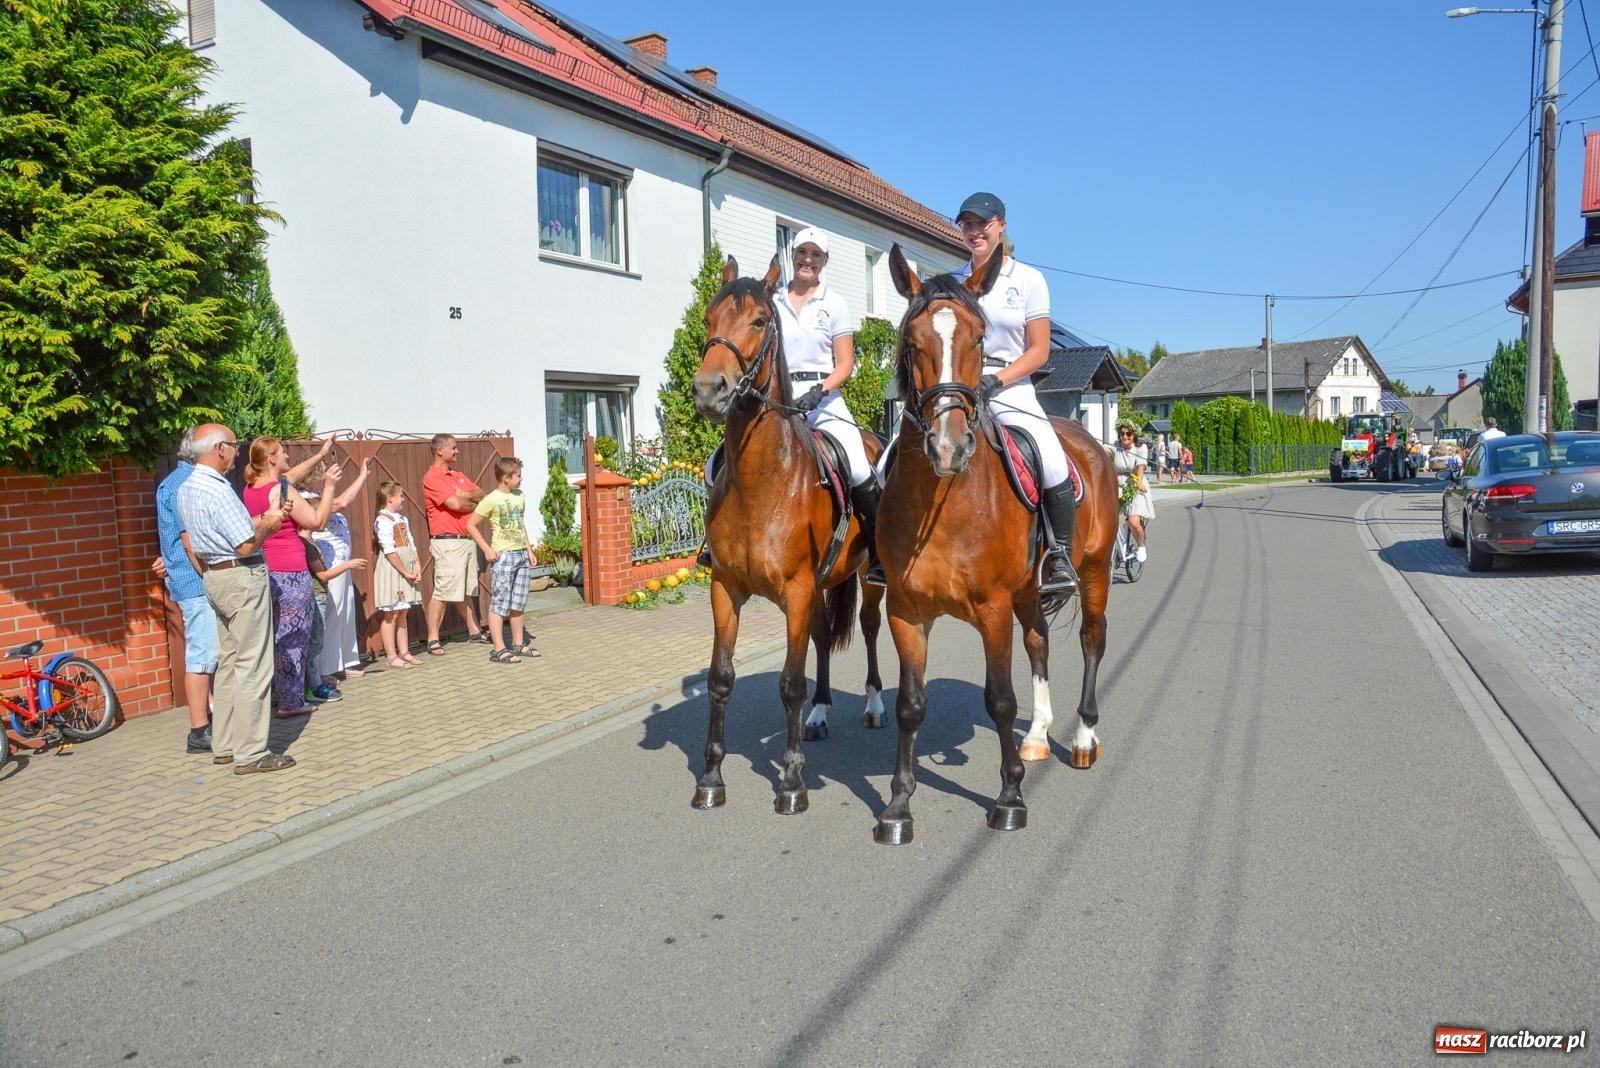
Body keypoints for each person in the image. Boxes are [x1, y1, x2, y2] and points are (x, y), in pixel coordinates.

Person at [696, 227, 884, 580]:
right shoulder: (774, 300)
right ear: (793, 256)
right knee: (715, 464)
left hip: (822, 397)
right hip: (774, 396)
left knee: (859, 466)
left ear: (823, 261)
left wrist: (821, 390)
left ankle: (879, 553)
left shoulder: (834, 304)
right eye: (802, 253)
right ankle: (715, 542)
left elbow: (845, 363)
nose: (807, 260)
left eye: (815, 255)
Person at [944, 191, 1078, 592]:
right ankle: (887, 552)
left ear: (1001, 225)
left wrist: (995, 381)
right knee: (896, 452)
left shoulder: (1028, 280)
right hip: (958, 386)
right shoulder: (951, 281)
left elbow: (1039, 350)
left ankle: (1059, 556)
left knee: (1051, 459)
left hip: (1009, 386)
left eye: (982, 223)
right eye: (967, 224)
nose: (974, 231)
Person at [175, 424, 297, 775]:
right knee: (254, 665)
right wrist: (270, 525)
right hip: (241, 575)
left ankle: (225, 744)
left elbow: (203, 540)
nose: (237, 451)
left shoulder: (187, 488)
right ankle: (252, 752)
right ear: (218, 449)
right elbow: (245, 543)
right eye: (233, 445)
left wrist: (261, 521)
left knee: (228, 663)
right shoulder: (217, 489)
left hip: (215, 576)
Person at [242, 437, 340, 718]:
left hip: (265, 570)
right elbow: (316, 521)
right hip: (292, 573)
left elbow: (289, 478)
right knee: (293, 639)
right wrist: (329, 487)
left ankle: (276, 696)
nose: (288, 456)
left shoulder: (252, 489)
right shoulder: (283, 490)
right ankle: (291, 702)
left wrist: (320, 454)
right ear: (272, 459)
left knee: (273, 637)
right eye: (283, 452)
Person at [151, 428, 216, 755]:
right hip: (196, 580)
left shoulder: (174, 483)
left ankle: (208, 719)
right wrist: (210, 576)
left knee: (206, 650)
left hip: (189, 578)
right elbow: (189, 539)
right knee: (203, 653)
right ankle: (199, 730)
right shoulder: (184, 484)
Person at [467, 457, 541, 664]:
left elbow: (520, 524)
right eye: (518, 476)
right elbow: (471, 525)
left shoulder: (519, 496)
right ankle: (498, 649)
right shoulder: (491, 499)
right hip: (503, 556)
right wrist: (487, 549)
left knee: (518, 602)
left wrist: (529, 549)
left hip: (521, 554)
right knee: (500, 603)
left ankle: (518, 644)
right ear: (507, 477)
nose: (521, 479)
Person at [304, 457, 371, 682]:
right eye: (322, 471)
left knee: (345, 613)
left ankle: (345, 661)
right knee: (331, 616)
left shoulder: (322, 497)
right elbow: (341, 504)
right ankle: (326, 668)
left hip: (341, 563)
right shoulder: (307, 499)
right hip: (328, 564)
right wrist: (361, 478)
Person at [422, 433, 487, 655]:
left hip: (466, 541)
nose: (457, 451)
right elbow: (456, 504)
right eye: (453, 447)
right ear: (440, 450)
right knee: (443, 590)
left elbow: (482, 495)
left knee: (467, 590)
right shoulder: (432, 478)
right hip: (448, 542)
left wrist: (464, 494)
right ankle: (432, 639)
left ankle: (474, 630)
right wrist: (467, 500)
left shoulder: (457, 475)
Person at [373, 480, 425, 669]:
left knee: (403, 611)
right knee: (391, 613)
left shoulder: (402, 519)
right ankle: (391, 655)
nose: (403, 499)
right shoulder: (382, 520)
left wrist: (417, 566)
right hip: (393, 567)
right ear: (390, 498)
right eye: (400, 496)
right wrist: (404, 572)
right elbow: (389, 551)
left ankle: (404, 651)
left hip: (407, 565)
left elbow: (410, 543)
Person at [1112, 422, 1153, 561]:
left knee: (1133, 521)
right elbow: (1101, 451)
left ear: (1134, 435)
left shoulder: (1140, 448)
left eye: (1128, 433)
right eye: (1122, 433)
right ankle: (1117, 544)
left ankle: (1141, 546)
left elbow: (1141, 466)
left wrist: (1139, 482)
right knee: (1109, 518)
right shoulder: (1115, 447)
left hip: (1135, 483)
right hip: (1118, 484)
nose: (1125, 436)